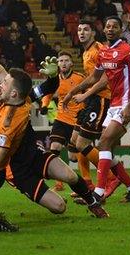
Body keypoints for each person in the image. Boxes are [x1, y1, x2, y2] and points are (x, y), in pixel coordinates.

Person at [0, 66, 107, 232]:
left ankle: (92, 202)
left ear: (13, 92)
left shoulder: (9, 120)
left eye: (2, 83)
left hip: (11, 162)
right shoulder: (18, 102)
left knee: (68, 176)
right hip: (14, 169)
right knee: (59, 206)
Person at [62, 16, 130, 203]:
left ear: (121, 29)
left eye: (114, 26)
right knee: (106, 150)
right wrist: (71, 92)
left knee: (104, 144)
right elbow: (94, 78)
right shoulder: (104, 52)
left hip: (126, 105)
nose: (110, 29)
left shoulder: (128, 51)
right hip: (113, 106)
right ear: (104, 29)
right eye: (107, 26)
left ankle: (97, 194)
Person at [37, 19, 120, 200]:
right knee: (75, 146)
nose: (81, 32)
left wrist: (83, 95)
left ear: (93, 33)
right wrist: (52, 102)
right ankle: (91, 182)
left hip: (100, 99)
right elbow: (50, 92)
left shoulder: (97, 50)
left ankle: (112, 178)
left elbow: (104, 78)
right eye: (79, 29)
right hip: (73, 111)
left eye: (86, 30)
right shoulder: (86, 53)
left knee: (83, 144)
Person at [37, 52, 86, 190]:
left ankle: (89, 180)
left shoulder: (80, 78)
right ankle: (59, 184)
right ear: (57, 64)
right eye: (61, 60)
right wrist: (44, 105)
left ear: (71, 63)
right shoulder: (54, 79)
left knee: (73, 158)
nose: (63, 63)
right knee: (54, 148)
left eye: (66, 60)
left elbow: (89, 94)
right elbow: (48, 93)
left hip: (77, 120)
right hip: (61, 119)